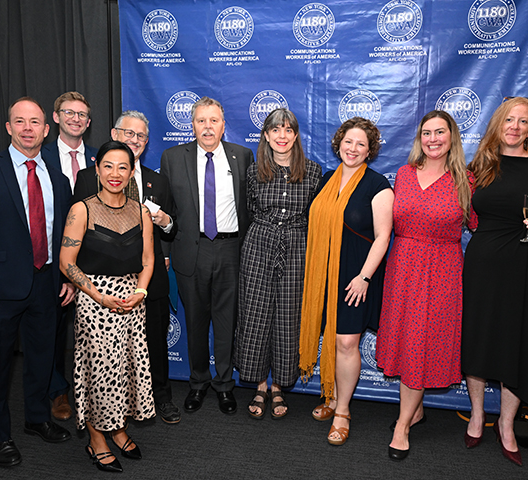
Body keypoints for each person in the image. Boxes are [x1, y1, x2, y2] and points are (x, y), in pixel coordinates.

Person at [0, 97, 74, 468]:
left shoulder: (58, 179)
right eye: (19, 121)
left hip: (46, 283)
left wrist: (67, 276)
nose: (27, 128)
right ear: (8, 127)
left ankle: (37, 418)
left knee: (41, 358)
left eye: (34, 122)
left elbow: (64, 234)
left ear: (46, 129)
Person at [462, 97, 528, 466]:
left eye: (523, 122)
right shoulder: (480, 164)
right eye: (509, 119)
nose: (515, 127)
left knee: (518, 341)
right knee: (478, 337)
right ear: (499, 123)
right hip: (483, 264)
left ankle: (506, 424)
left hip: (526, 264)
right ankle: (477, 415)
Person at [375, 111, 476, 461]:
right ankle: (415, 411)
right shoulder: (404, 174)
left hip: (442, 273)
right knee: (407, 342)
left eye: (440, 132)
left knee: (422, 344)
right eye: (427, 133)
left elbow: (481, 225)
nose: (433, 139)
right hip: (402, 267)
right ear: (420, 138)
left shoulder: (466, 180)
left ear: (452, 137)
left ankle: (402, 426)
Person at [73, 110, 180, 425]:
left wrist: (166, 221)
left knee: (154, 342)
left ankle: (161, 398)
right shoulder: (87, 178)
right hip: (102, 281)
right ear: (114, 134)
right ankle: (110, 407)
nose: (134, 140)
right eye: (128, 133)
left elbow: (171, 229)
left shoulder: (158, 180)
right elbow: (76, 232)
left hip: (149, 277)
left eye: (141, 136)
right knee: (106, 351)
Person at [60, 140, 155, 473]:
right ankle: (97, 438)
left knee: (126, 369)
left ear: (131, 172)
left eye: (123, 167)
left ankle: (118, 429)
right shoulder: (81, 210)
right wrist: (99, 296)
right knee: (99, 373)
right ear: (97, 169)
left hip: (132, 300)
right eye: (108, 166)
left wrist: (140, 292)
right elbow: (67, 262)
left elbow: (147, 260)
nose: (115, 174)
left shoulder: (141, 211)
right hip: (94, 302)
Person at [299, 117, 394, 445]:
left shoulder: (378, 185)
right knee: (334, 339)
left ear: (370, 151)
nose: (353, 149)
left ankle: (342, 411)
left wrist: (364, 277)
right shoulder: (327, 179)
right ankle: (333, 396)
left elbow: (383, 237)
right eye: (348, 142)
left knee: (346, 343)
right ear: (338, 143)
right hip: (325, 275)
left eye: (361, 144)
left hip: (357, 276)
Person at [160, 96, 253, 415]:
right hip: (191, 251)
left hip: (231, 250)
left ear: (224, 125)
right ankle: (198, 382)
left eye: (214, 120)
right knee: (195, 323)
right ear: (192, 125)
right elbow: (167, 210)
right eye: (201, 120)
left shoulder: (242, 156)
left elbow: (250, 207)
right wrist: (165, 254)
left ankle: (225, 385)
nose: (208, 127)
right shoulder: (173, 157)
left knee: (227, 323)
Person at [233, 108, 322, 419]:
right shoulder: (253, 171)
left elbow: (314, 216)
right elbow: (248, 209)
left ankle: (278, 386)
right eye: (275, 130)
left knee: (288, 316)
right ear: (266, 136)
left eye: (288, 130)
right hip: (259, 244)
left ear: (295, 135)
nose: (282, 136)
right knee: (255, 314)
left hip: (297, 247)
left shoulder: (313, 172)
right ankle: (259, 383)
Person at [41, 91, 98, 422]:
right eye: (69, 113)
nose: (76, 119)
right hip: (53, 260)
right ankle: (57, 390)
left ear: (88, 123)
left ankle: (92, 391)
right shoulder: (40, 156)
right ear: (56, 117)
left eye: (82, 115)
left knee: (92, 333)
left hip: (95, 259)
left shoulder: (100, 157)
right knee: (54, 330)